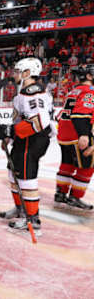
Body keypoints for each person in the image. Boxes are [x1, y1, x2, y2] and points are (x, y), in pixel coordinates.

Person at [0, 58, 53, 232]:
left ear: (27, 73)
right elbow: (19, 119)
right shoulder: (23, 93)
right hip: (23, 138)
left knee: (27, 179)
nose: (14, 74)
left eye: (18, 71)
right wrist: (9, 138)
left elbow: (40, 121)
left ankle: (32, 218)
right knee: (14, 175)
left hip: (33, 140)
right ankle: (21, 209)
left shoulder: (33, 92)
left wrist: (10, 131)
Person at [55, 66, 94, 210]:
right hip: (76, 134)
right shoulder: (89, 91)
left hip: (64, 134)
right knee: (87, 166)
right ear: (89, 77)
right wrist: (84, 134)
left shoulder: (74, 91)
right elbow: (80, 114)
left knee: (67, 164)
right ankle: (75, 197)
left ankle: (60, 193)